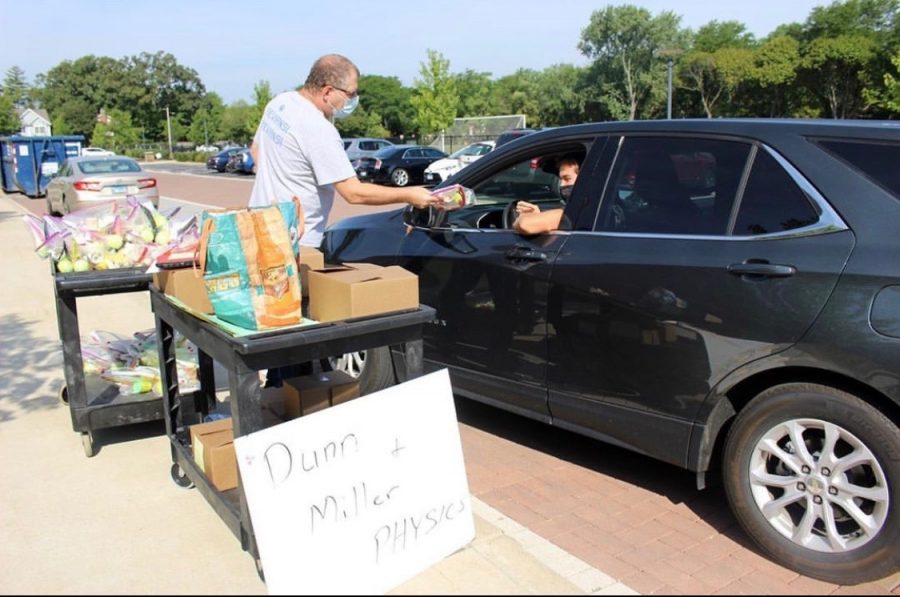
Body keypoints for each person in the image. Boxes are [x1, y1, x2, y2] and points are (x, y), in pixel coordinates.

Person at [248, 53, 437, 248]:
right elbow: (353, 192)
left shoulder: (281, 102)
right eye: (351, 94)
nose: (353, 100)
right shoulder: (318, 129)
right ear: (328, 91)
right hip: (292, 242)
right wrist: (409, 194)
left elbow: (256, 151)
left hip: (256, 226)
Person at [512, 157, 580, 235]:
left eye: (567, 179)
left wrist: (521, 220)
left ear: (583, 179)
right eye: (560, 180)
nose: (561, 185)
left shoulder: (575, 212)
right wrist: (538, 216)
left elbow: (524, 224)